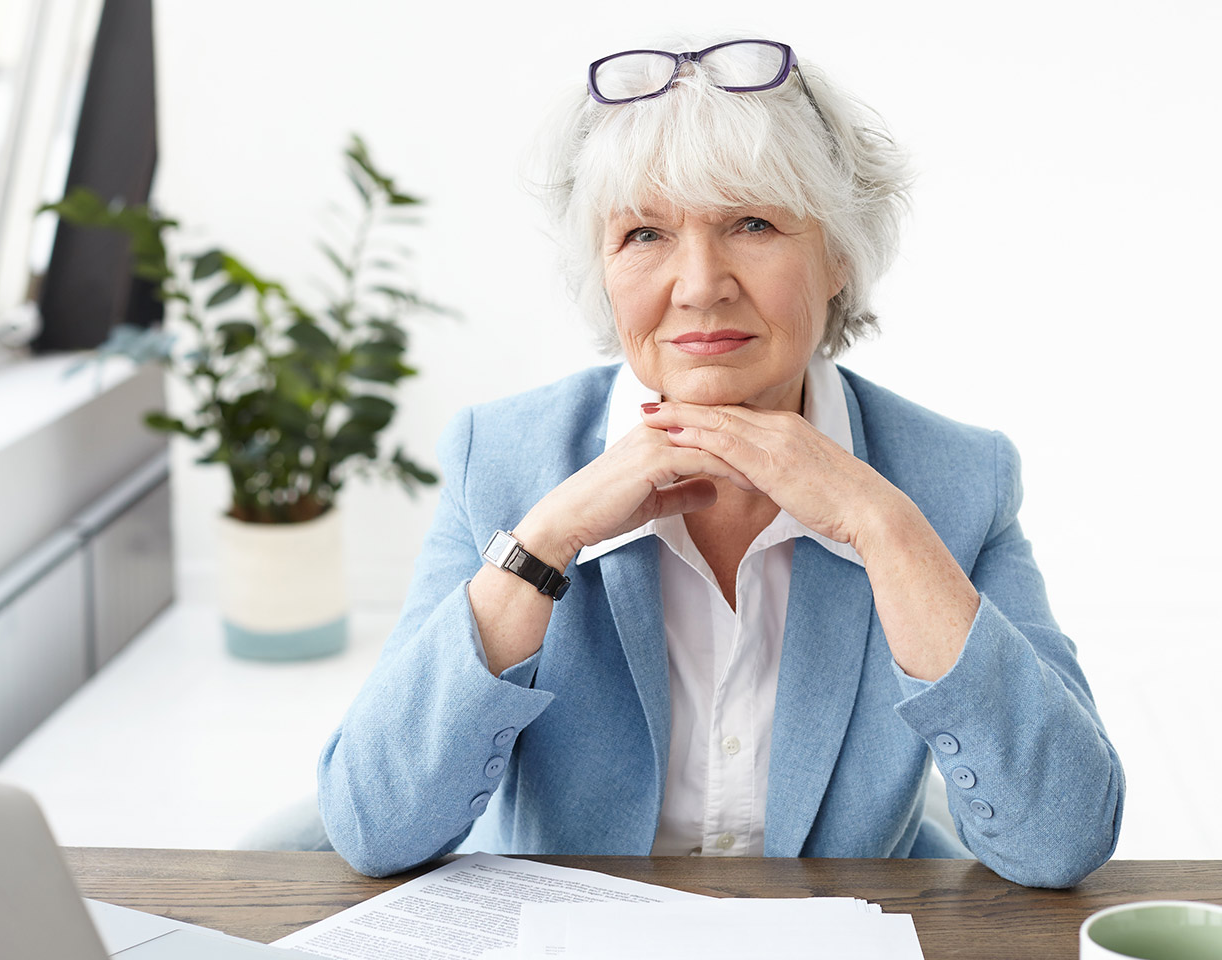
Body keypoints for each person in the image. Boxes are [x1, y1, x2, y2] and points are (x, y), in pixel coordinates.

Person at [316, 36, 1123, 887]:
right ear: (603, 266)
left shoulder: (961, 477)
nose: (701, 284)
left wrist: (881, 526)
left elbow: (1060, 842)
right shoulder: (504, 460)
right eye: (645, 234)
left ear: (838, 253)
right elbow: (375, 827)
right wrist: (544, 540)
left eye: (753, 223)